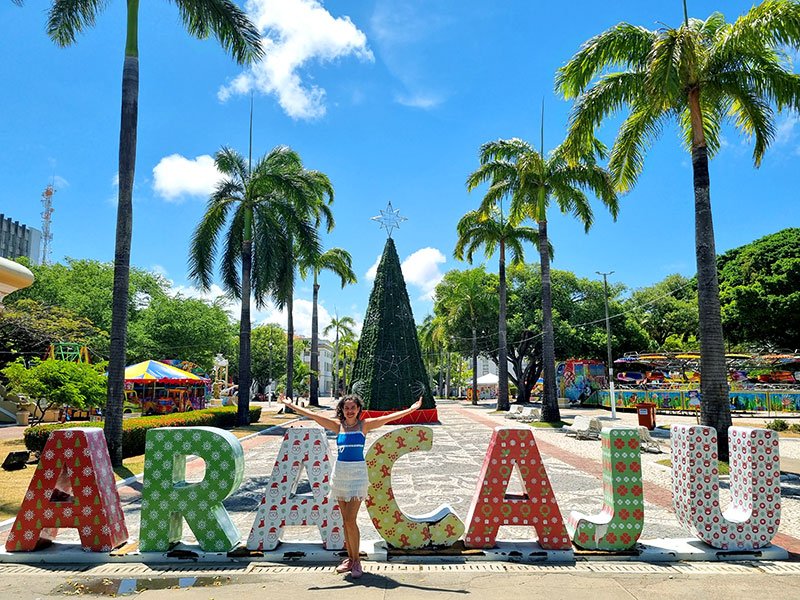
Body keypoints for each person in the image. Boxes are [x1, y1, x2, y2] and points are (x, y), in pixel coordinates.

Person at [280, 394, 423, 578]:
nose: (349, 411)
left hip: (357, 475)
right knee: (345, 521)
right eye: (346, 408)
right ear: (342, 410)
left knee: (350, 519)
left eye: (353, 408)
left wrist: (412, 409)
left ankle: (357, 562)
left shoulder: (365, 425)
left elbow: (389, 418)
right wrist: (290, 405)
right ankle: (350, 558)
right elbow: (312, 415)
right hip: (340, 475)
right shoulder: (337, 426)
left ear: (358, 410)